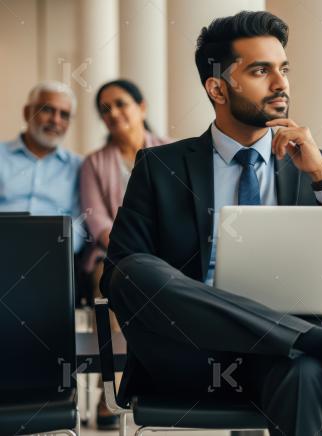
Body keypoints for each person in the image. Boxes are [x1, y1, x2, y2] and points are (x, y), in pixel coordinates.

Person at [100, 11, 322, 436]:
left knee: (304, 368)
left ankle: (315, 344)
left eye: (283, 69)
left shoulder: (320, 167)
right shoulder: (161, 167)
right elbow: (120, 277)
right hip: (194, 356)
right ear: (218, 87)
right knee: (133, 271)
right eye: (260, 70)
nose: (280, 83)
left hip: (288, 360)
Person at [80, 79, 171, 430]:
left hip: (163, 254)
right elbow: (96, 217)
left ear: (142, 107)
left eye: (121, 104)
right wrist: (130, 249)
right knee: (119, 278)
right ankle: (115, 391)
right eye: (105, 109)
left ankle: (163, 379)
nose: (114, 113)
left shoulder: (169, 151)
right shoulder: (94, 163)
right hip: (110, 256)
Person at [0, 81, 84, 253]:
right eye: (47, 109)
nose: (55, 120)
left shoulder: (78, 166)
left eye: (64, 115)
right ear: (26, 112)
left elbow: (80, 221)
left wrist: (60, 246)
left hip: (52, 254)